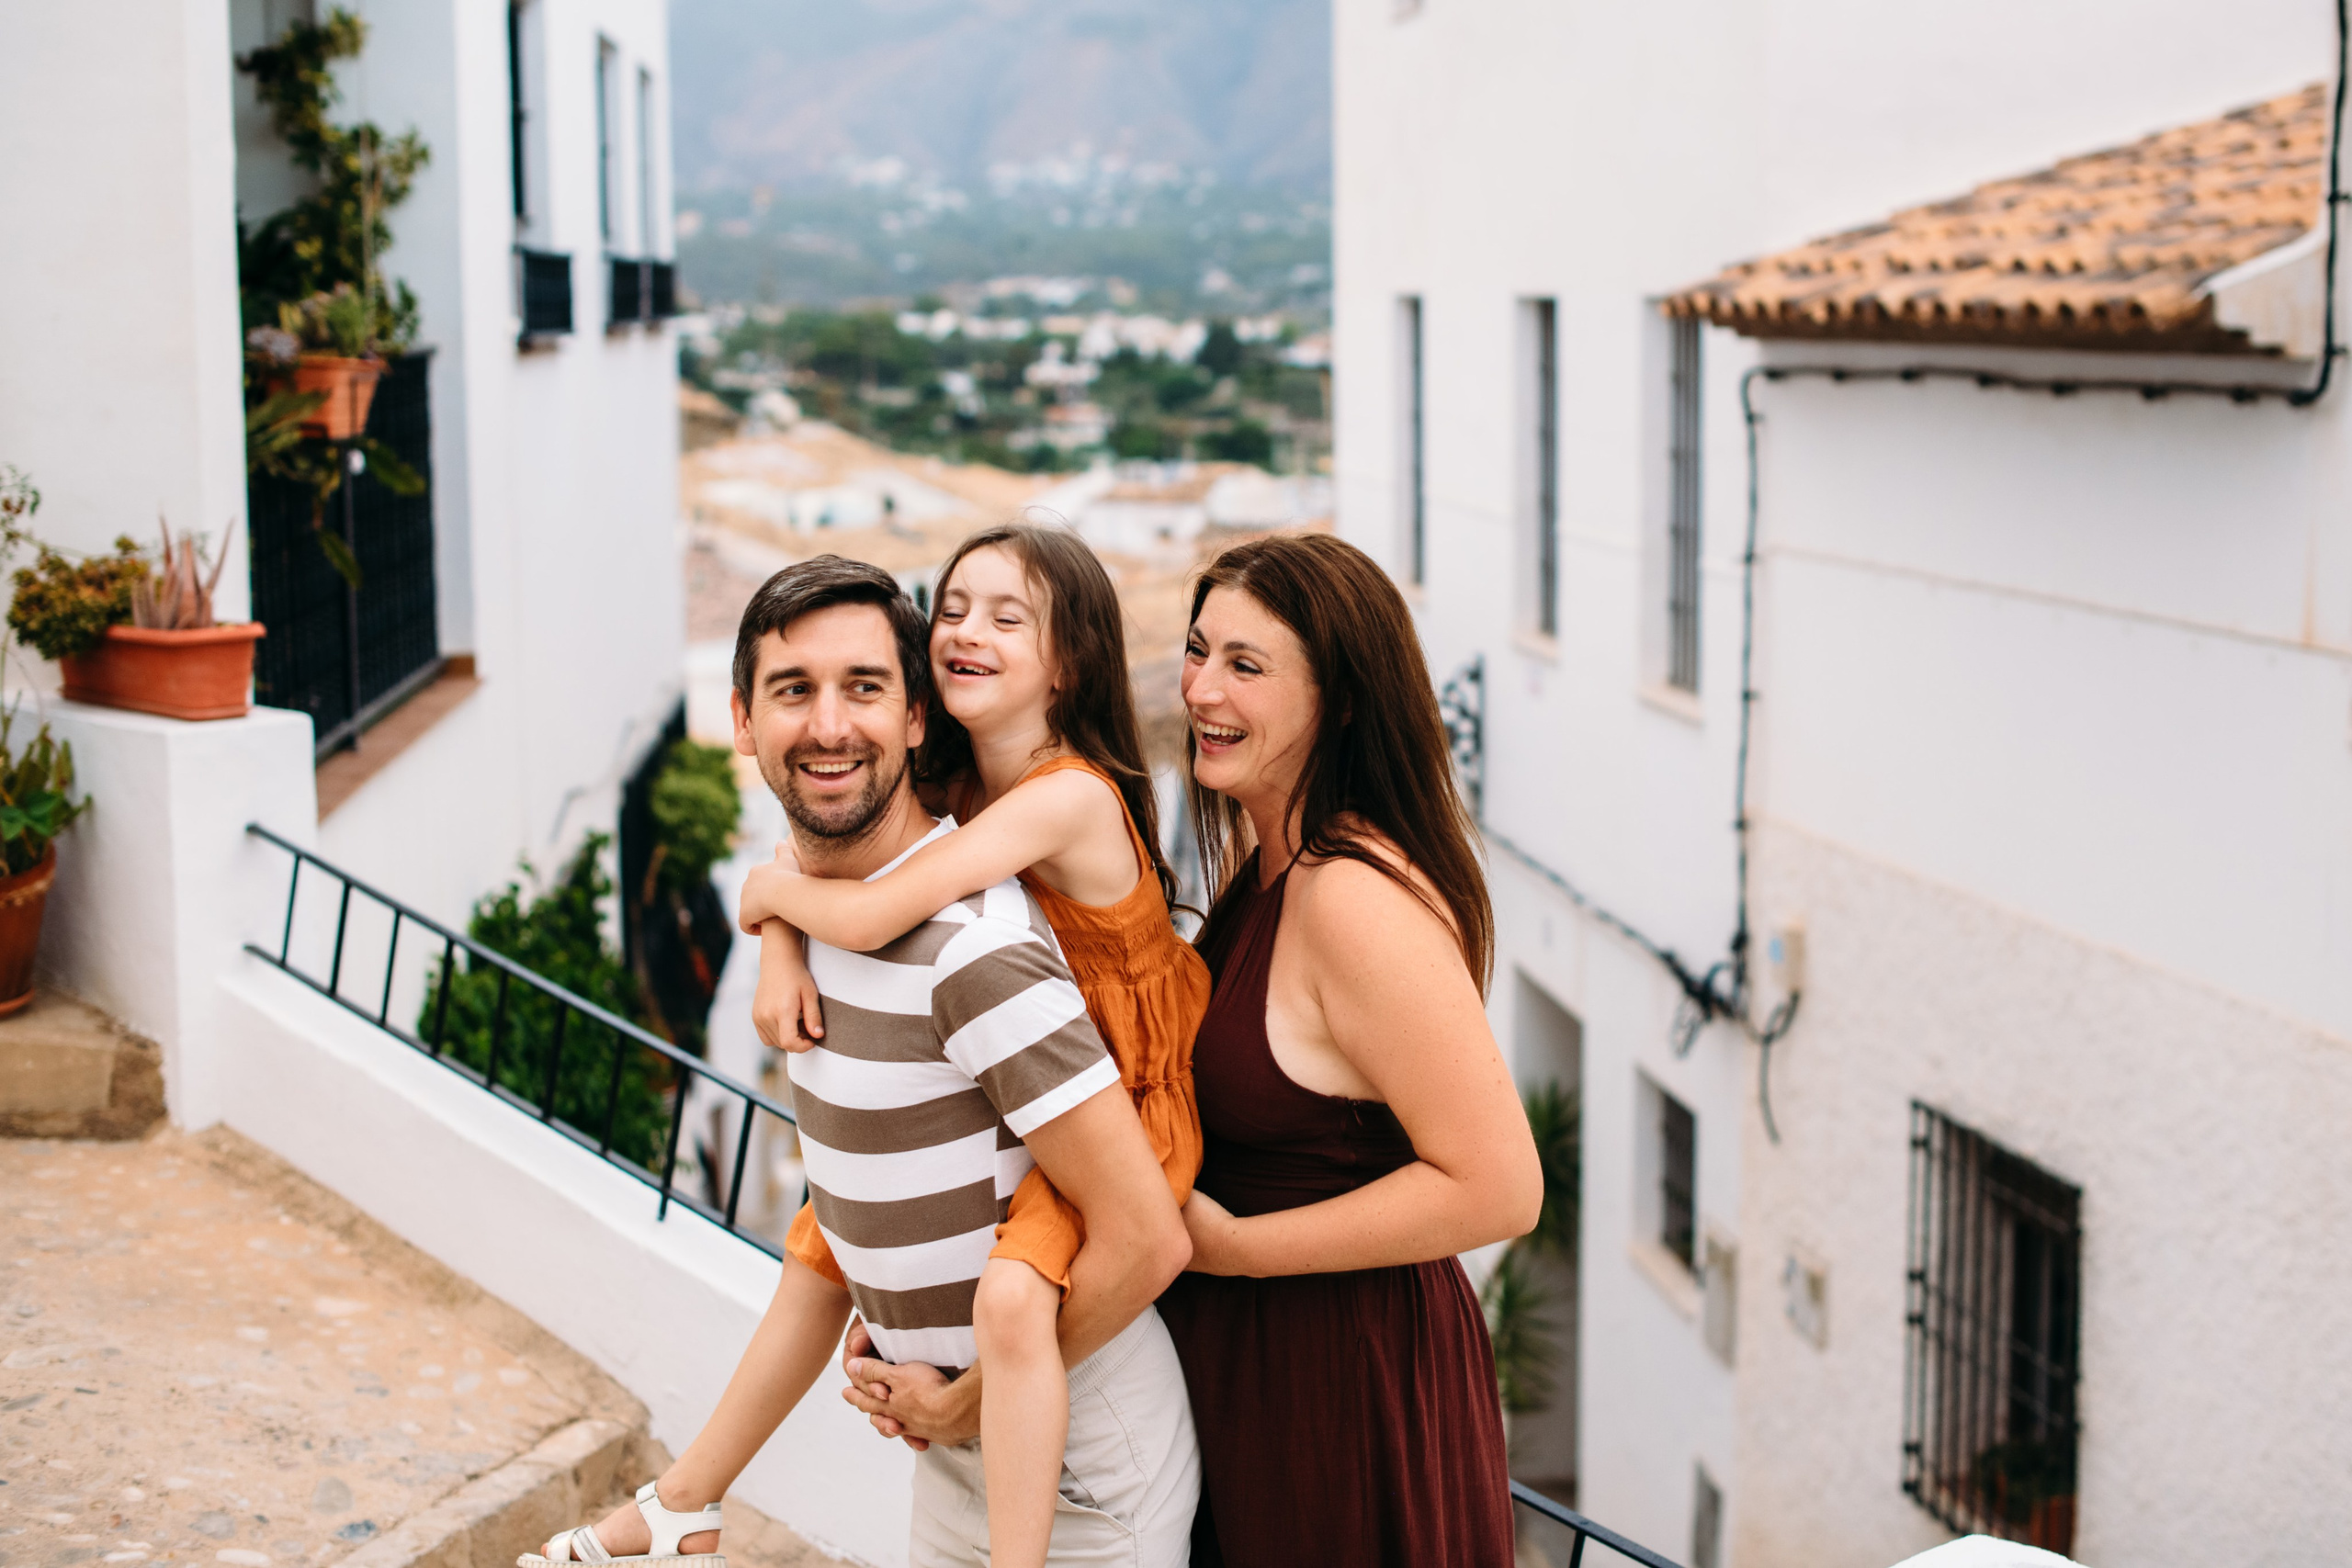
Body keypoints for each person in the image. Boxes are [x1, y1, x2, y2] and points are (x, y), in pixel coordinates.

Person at [524, 556, 1197, 1568]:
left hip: (1085, 1472)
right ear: (742, 721)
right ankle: (676, 1509)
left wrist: (963, 1400)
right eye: (794, 691)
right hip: (950, 1453)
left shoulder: (974, 950)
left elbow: (1145, 1237)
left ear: (917, 718)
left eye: (865, 688)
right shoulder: (831, 923)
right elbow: (834, 1231)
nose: (830, 725)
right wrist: (782, 936)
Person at [736, 522, 1209, 1568]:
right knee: (834, 1221)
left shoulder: (1064, 794)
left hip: (1130, 1093)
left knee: (1007, 1297)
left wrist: (767, 902)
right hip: (1055, 1091)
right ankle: (689, 1492)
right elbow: (826, 846)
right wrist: (780, 948)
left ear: (1070, 660)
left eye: (1007, 616)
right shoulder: (962, 789)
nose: (966, 630)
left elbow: (864, 910)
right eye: (952, 608)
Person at [1159, 531, 1542, 1565]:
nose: (1202, 690)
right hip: (1256, 1367)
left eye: (1246, 666)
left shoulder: (1352, 899)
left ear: (1340, 699)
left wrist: (1232, 1251)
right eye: (1198, 652)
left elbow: (1499, 1188)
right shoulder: (1267, 864)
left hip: (1337, 1384)